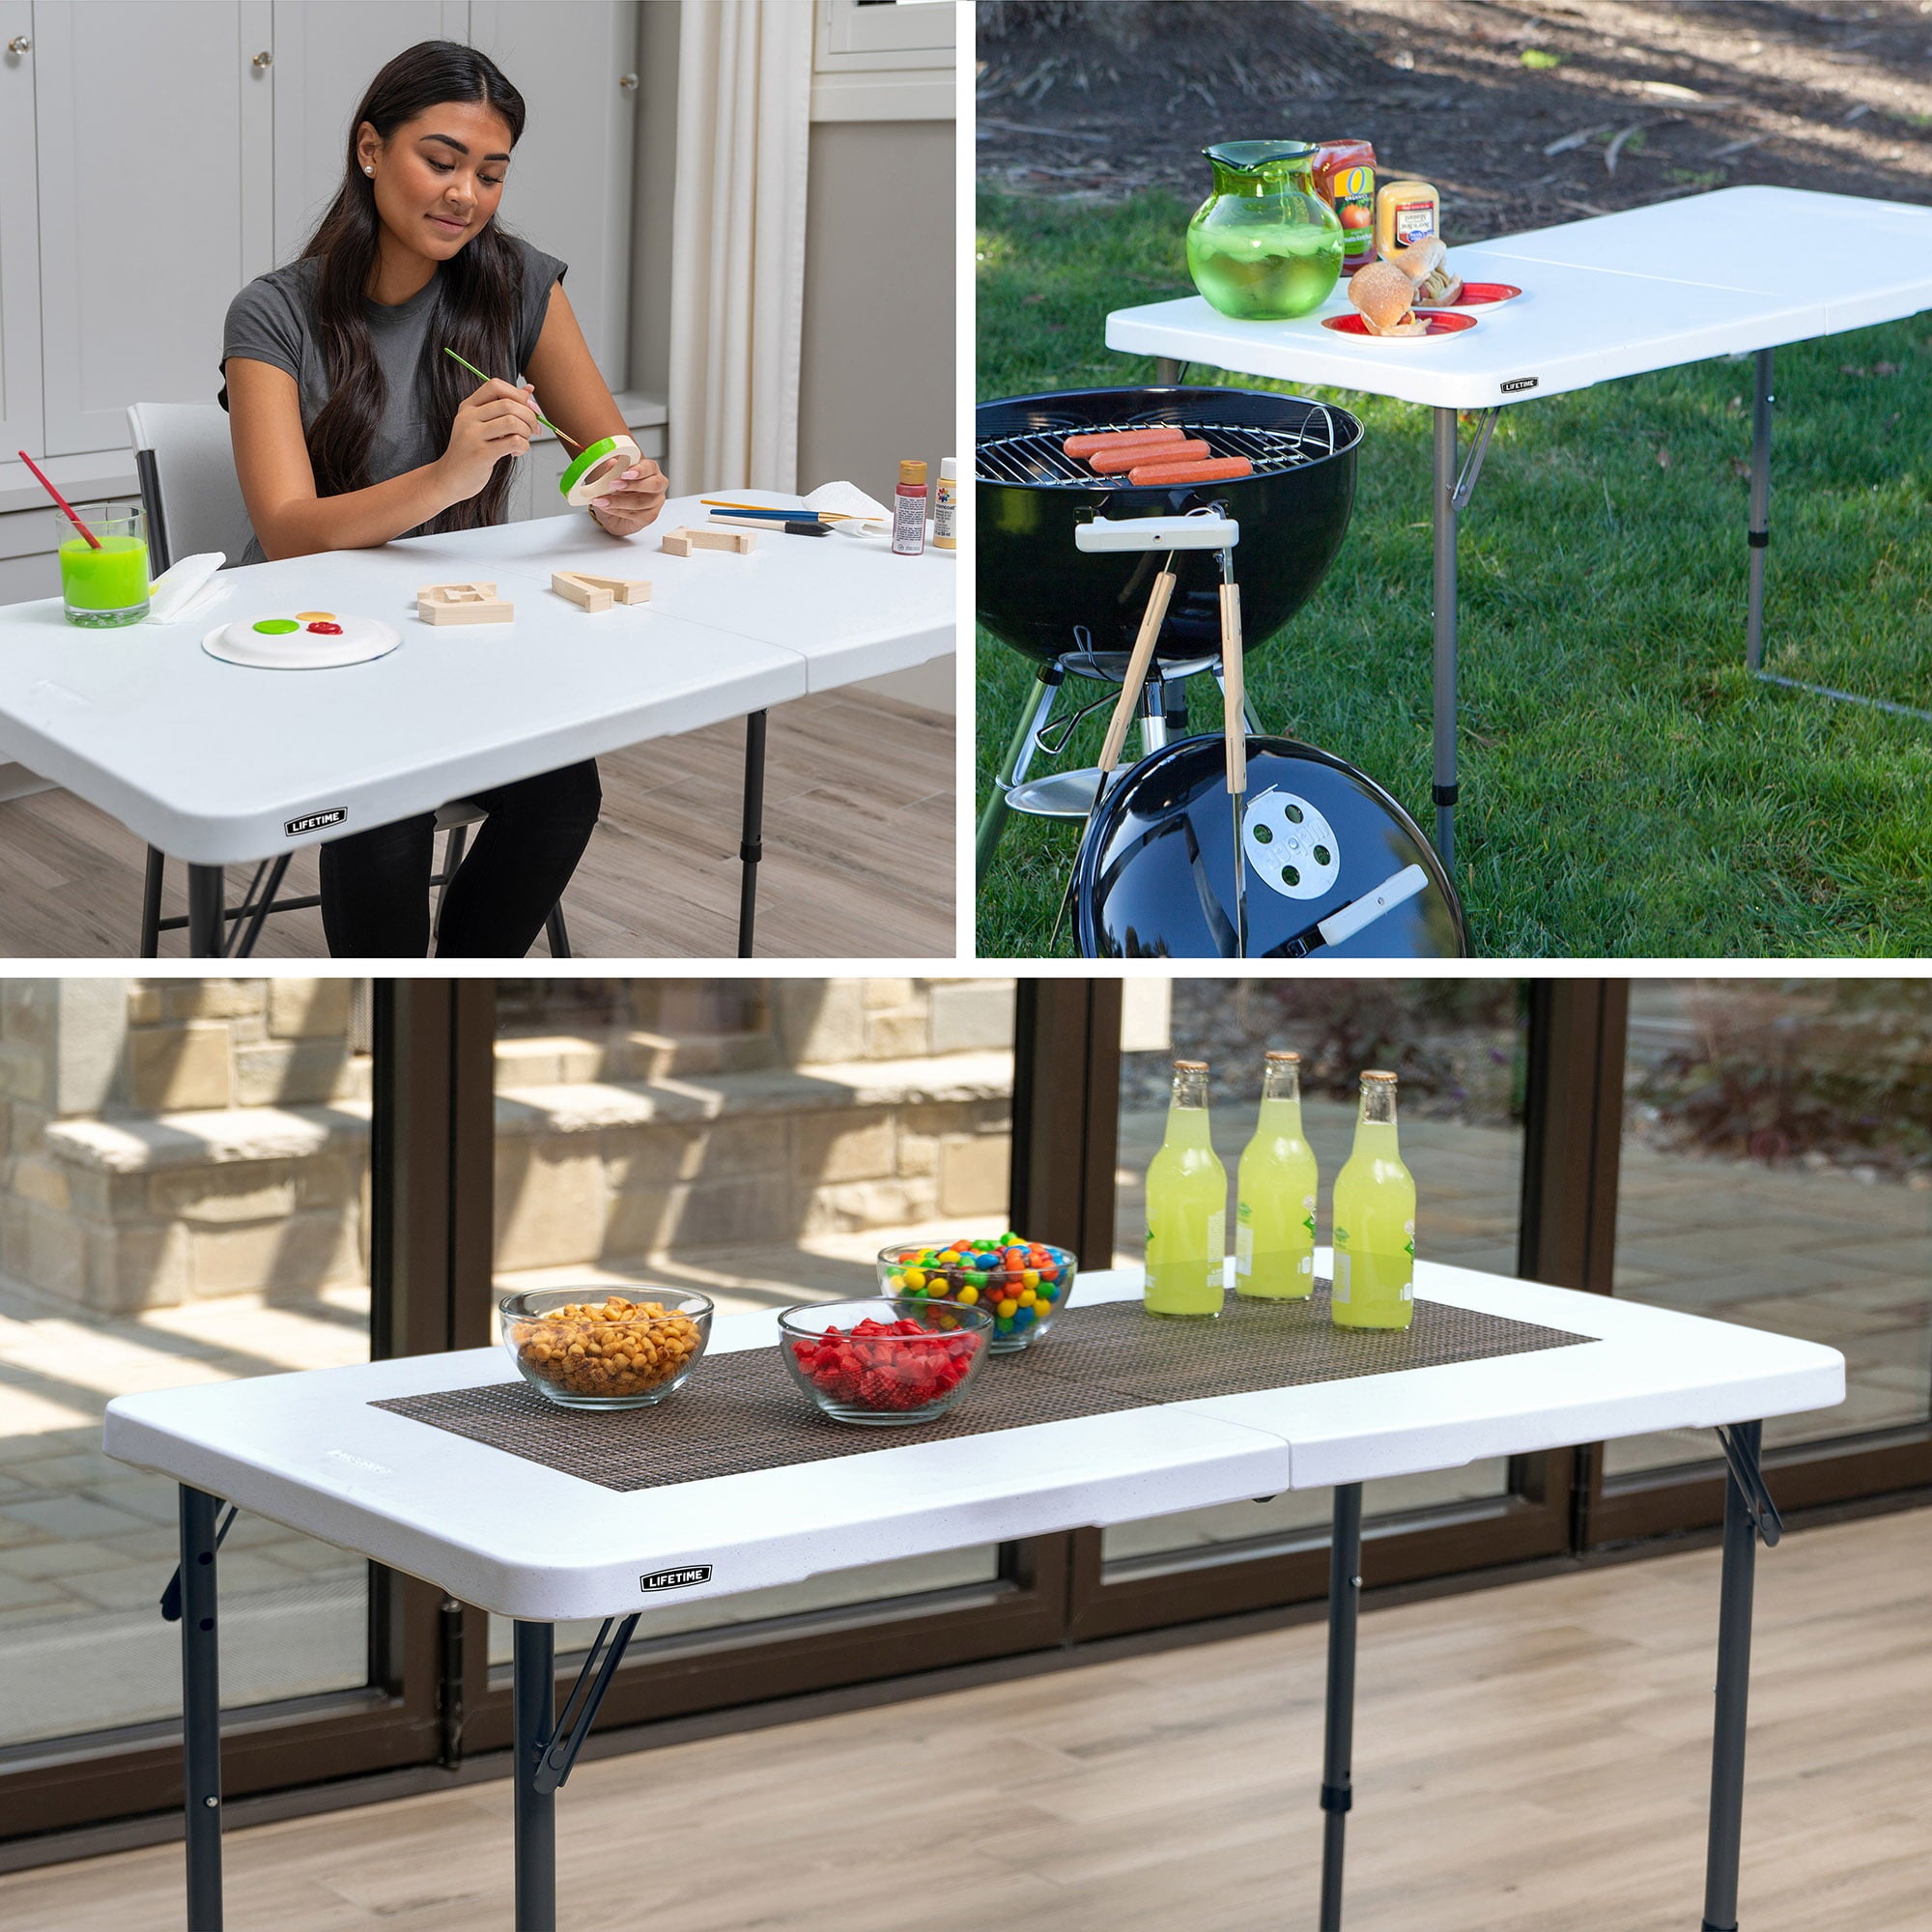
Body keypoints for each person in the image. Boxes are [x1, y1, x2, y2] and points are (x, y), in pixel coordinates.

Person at [220, 39, 668, 956]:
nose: (467, 194)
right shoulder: (271, 314)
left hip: (452, 637)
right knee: (385, 802)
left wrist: (629, 494)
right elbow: (289, 533)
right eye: (442, 160)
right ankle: (392, 1032)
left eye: (492, 173)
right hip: (311, 642)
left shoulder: (519, 285)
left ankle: (457, 1010)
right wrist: (450, 477)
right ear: (371, 149)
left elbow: (608, 455)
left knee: (562, 791)